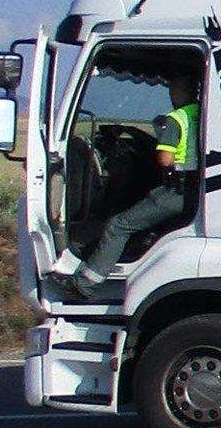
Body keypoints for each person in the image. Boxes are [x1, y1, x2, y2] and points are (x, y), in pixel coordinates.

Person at [51, 73, 200, 298]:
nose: (171, 94)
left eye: (172, 89)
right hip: (196, 190)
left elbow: (165, 160)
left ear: (179, 91)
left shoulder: (176, 118)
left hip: (176, 191)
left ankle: (86, 284)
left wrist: (162, 140)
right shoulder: (202, 113)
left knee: (118, 225)